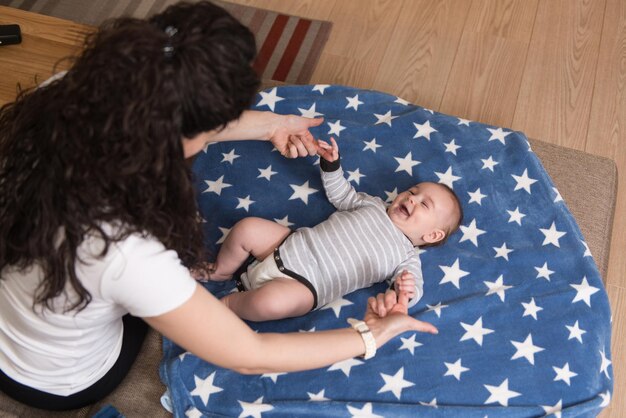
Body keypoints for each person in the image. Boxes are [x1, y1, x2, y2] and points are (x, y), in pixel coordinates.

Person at [0, 1, 438, 411]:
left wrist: (274, 125)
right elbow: (248, 354)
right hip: (54, 379)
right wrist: (370, 334)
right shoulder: (125, 250)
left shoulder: (63, 96)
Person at [193, 137, 463, 321]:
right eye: (413, 191)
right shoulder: (373, 205)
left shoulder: (406, 256)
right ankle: (221, 271)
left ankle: (226, 306)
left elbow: (412, 291)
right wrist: (331, 165)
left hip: (306, 286)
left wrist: (405, 291)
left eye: (424, 204)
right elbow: (342, 195)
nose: (411, 198)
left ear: (432, 235)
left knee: (269, 304)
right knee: (248, 228)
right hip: (287, 245)